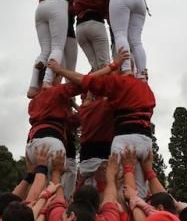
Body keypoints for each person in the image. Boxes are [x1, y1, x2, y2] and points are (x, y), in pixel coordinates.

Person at [48, 49, 157, 197]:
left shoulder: (86, 110)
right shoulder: (116, 101)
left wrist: (59, 70)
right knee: (131, 192)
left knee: (95, 197)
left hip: (91, 157)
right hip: (135, 143)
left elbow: (86, 83)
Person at [27, 0, 77, 94]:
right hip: (57, 5)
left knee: (45, 50)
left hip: (41, 6)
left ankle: (33, 86)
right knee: (57, 48)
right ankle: (47, 81)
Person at [73, 0, 112, 72]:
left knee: (95, 67)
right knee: (104, 65)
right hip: (95, 24)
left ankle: (94, 87)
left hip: (79, 29)